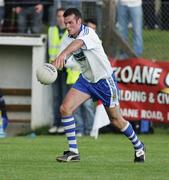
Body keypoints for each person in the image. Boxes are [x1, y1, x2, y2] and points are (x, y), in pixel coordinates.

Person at [52, 8, 146, 163]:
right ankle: (73, 152)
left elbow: (77, 44)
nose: (67, 26)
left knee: (116, 120)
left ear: (79, 21)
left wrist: (64, 53)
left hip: (105, 81)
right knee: (65, 108)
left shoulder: (88, 33)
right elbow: (62, 61)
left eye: (70, 23)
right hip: (86, 80)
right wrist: (51, 69)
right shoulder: (66, 38)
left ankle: (139, 146)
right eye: (65, 22)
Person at [48, 8, 68, 134]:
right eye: (59, 16)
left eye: (63, 16)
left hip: (66, 69)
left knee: (65, 98)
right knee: (56, 98)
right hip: (54, 69)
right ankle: (56, 123)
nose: (61, 18)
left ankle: (63, 124)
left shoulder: (70, 32)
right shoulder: (51, 30)